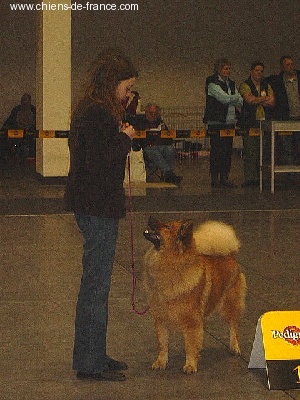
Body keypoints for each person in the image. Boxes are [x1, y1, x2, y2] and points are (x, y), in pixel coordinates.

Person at [64, 49, 138, 382]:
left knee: (98, 285)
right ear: (112, 83)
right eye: (127, 87)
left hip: (92, 205)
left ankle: (95, 353)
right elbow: (101, 161)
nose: (130, 94)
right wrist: (124, 138)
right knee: (95, 286)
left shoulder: (92, 110)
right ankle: (90, 362)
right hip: (97, 208)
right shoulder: (96, 114)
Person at [203, 58, 243, 188]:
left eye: (229, 68)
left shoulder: (231, 83)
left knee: (227, 151)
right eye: (226, 68)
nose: (228, 71)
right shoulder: (212, 82)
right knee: (217, 150)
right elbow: (224, 99)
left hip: (230, 121)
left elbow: (240, 101)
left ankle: (225, 177)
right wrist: (234, 98)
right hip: (216, 122)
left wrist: (233, 98)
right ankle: (214, 178)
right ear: (219, 70)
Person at [127, 103, 182, 184]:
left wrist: (164, 133)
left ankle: (169, 174)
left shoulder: (160, 122)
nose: (153, 115)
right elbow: (135, 139)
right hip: (146, 147)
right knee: (153, 151)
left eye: (155, 113)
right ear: (146, 112)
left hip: (160, 145)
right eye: (150, 113)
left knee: (170, 149)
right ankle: (169, 174)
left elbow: (169, 138)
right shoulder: (139, 122)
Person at [239, 62, 275, 187]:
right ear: (251, 71)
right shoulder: (245, 85)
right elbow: (249, 100)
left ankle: (260, 178)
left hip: (263, 122)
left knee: (262, 151)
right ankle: (250, 179)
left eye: (261, 71)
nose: (259, 73)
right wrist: (263, 99)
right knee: (250, 151)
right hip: (249, 123)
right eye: (257, 70)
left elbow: (272, 101)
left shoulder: (266, 84)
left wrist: (258, 99)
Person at [267, 56, 300, 164]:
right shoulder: (277, 81)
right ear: (282, 67)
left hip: (298, 117)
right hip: (286, 118)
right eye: (287, 65)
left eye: (292, 64)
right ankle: (289, 174)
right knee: (287, 147)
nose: (291, 67)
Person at [1, 93, 36, 160]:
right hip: (17, 132)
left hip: (30, 133)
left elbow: (37, 123)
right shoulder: (16, 110)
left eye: (26, 100)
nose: (24, 102)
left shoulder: (34, 110)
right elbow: (10, 120)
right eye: (23, 100)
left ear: (30, 101)